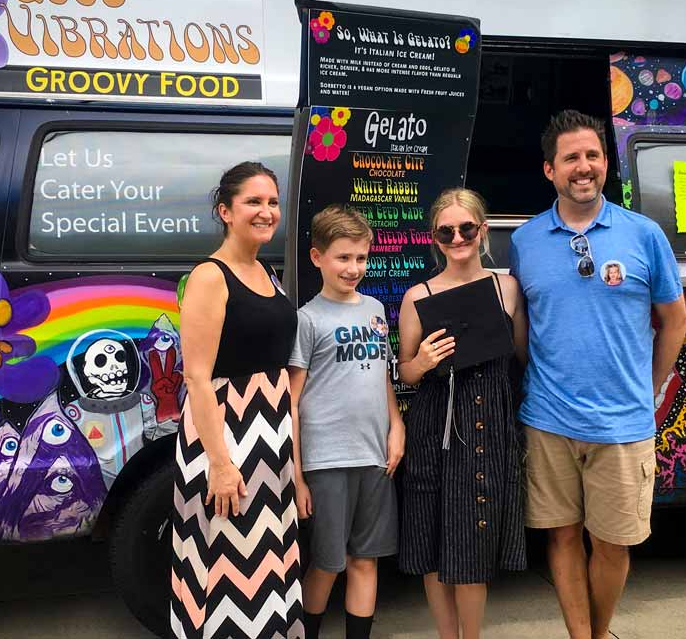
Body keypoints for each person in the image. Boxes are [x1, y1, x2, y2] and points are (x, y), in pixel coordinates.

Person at [509, 110, 686, 639]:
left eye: (592, 156)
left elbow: (674, 320)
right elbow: (524, 324)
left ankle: (599, 631)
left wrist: (651, 386)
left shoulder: (644, 233)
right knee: (561, 538)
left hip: (622, 424)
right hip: (548, 419)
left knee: (613, 544)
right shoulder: (525, 240)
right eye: (571, 158)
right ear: (550, 170)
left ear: (605, 162)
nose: (583, 167)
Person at [171, 162, 303, 639]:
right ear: (225, 211)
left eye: (272, 201)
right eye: (254, 201)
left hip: (268, 434)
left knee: (269, 565)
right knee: (224, 568)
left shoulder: (265, 271)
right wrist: (221, 465)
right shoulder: (211, 276)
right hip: (228, 437)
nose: (267, 211)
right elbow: (198, 378)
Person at [397, 188, 528, 639]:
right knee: (434, 540)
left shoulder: (507, 287)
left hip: (489, 422)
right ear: (435, 237)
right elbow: (406, 372)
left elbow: (522, 355)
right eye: (446, 231)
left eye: (466, 228)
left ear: (483, 230)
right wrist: (424, 361)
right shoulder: (418, 296)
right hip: (437, 426)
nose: (457, 238)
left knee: (474, 542)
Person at [288, 205, 405, 639]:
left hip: (374, 456)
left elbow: (383, 379)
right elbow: (293, 402)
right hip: (326, 462)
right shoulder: (308, 319)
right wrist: (297, 475)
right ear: (318, 257)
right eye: (343, 257)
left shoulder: (375, 310)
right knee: (327, 562)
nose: (353, 267)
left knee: (365, 559)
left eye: (360, 257)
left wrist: (397, 426)